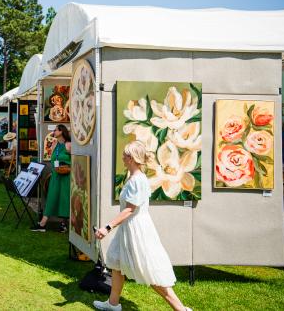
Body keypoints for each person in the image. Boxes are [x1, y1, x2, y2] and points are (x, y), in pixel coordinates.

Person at [93, 141, 191, 311]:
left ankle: (180, 309)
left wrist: (107, 228)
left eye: (125, 154)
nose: (122, 157)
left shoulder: (137, 180)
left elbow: (130, 210)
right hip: (128, 228)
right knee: (116, 261)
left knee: (149, 272)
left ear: (131, 158)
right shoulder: (134, 178)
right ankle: (113, 304)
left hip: (136, 229)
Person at [31, 124, 71, 233]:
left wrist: (68, 167)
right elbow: (53, 160)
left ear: (61, 132)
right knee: (52, 198)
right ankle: (43, 224)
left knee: (64, 199)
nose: (54, 132)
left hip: (66, 177)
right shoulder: (55, 145)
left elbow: (76, 161)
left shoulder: (69, 145)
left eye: (56, 130)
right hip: (56, 176)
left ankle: (63, 224)